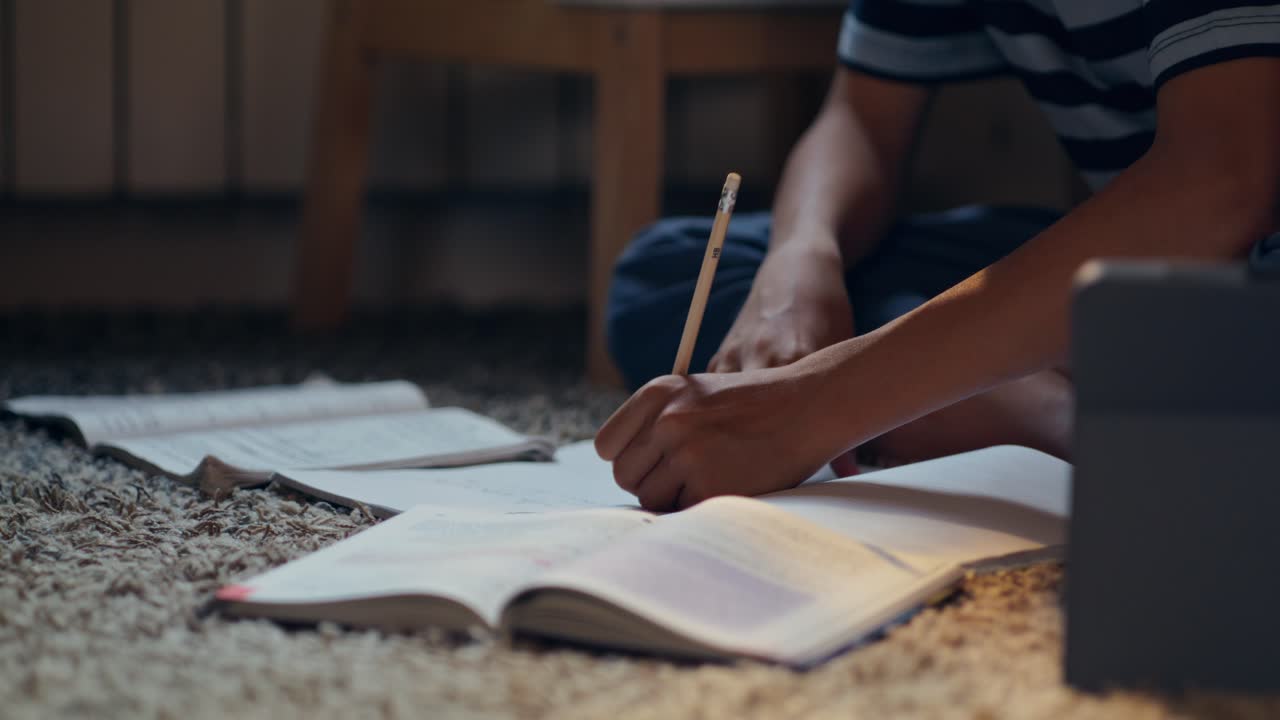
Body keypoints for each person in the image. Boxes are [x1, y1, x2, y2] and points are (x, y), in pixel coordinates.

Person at [595, 0, 1280, 511]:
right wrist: (799, 266)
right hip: (1149, 268)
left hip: (1239, 259)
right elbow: (862, 117)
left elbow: (1219, 181)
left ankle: (1045, 417)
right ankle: (1010, 394)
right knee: (670, 270)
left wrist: (810, 406)